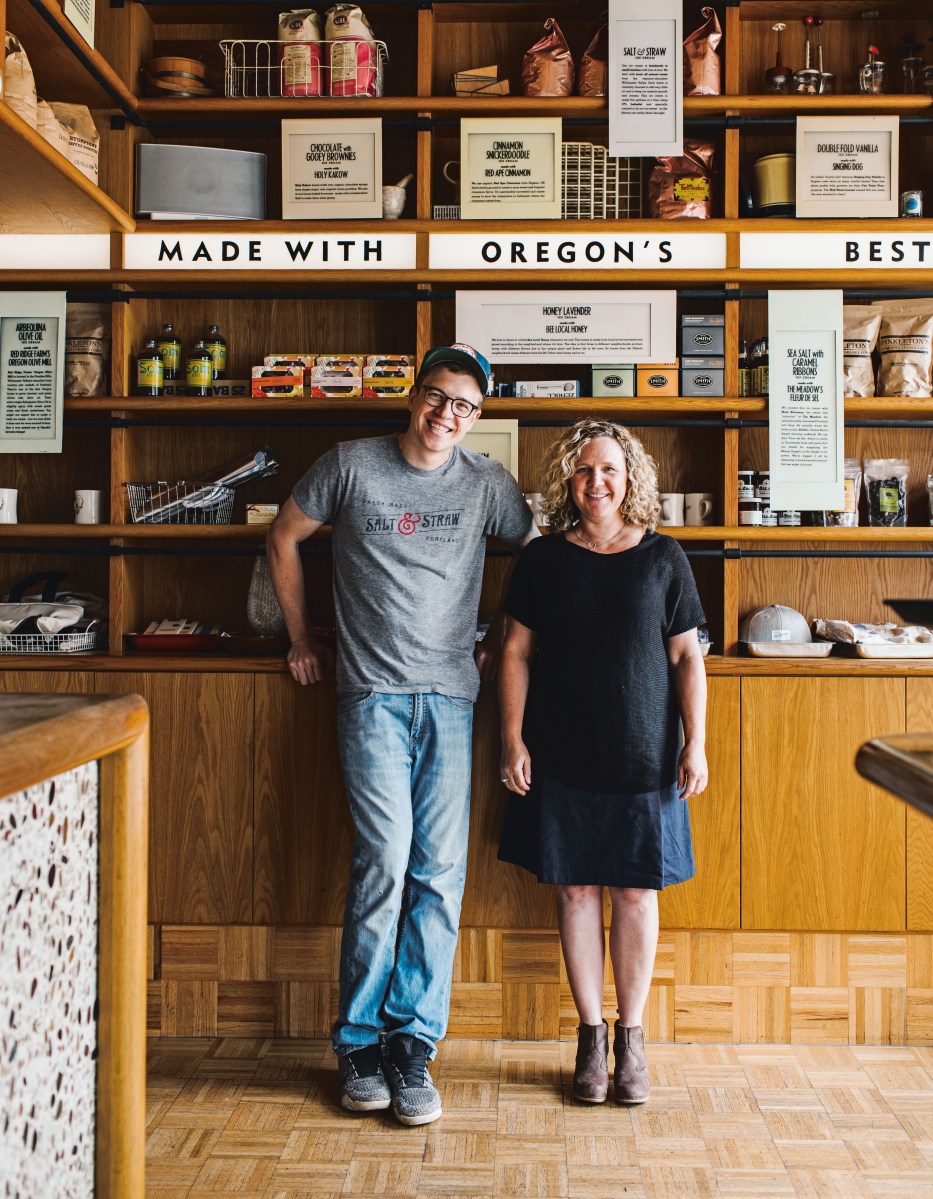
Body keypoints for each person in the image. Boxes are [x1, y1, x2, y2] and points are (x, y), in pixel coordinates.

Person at [266, 343, 535, 1127]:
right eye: (435, 396)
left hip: (453, 697)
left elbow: (536, 558)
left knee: (439, 872)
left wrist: (499, 636)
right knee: (383, 861)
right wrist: (300, 639)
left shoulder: (487, 482)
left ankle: (412, 1044)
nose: (445, 414)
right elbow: (283, 537)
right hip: (372, 697)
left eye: (464, 405)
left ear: (477, 416)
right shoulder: (349, 464)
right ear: (411, 396)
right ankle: (357, 1043)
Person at [497, 419, 708, 1106]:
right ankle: (590, 1036)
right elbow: (515, 653)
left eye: (609, 469)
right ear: (568, 478)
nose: (596, 482)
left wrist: (694, 742)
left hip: (643, 759)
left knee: (635, 893)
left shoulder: (661, 556)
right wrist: (511, 737)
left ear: (629, 477)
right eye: (584, 470)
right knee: (574, 892)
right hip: (559, 755)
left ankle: (632, 1037)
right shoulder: (542, 560)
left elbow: (686, 656)